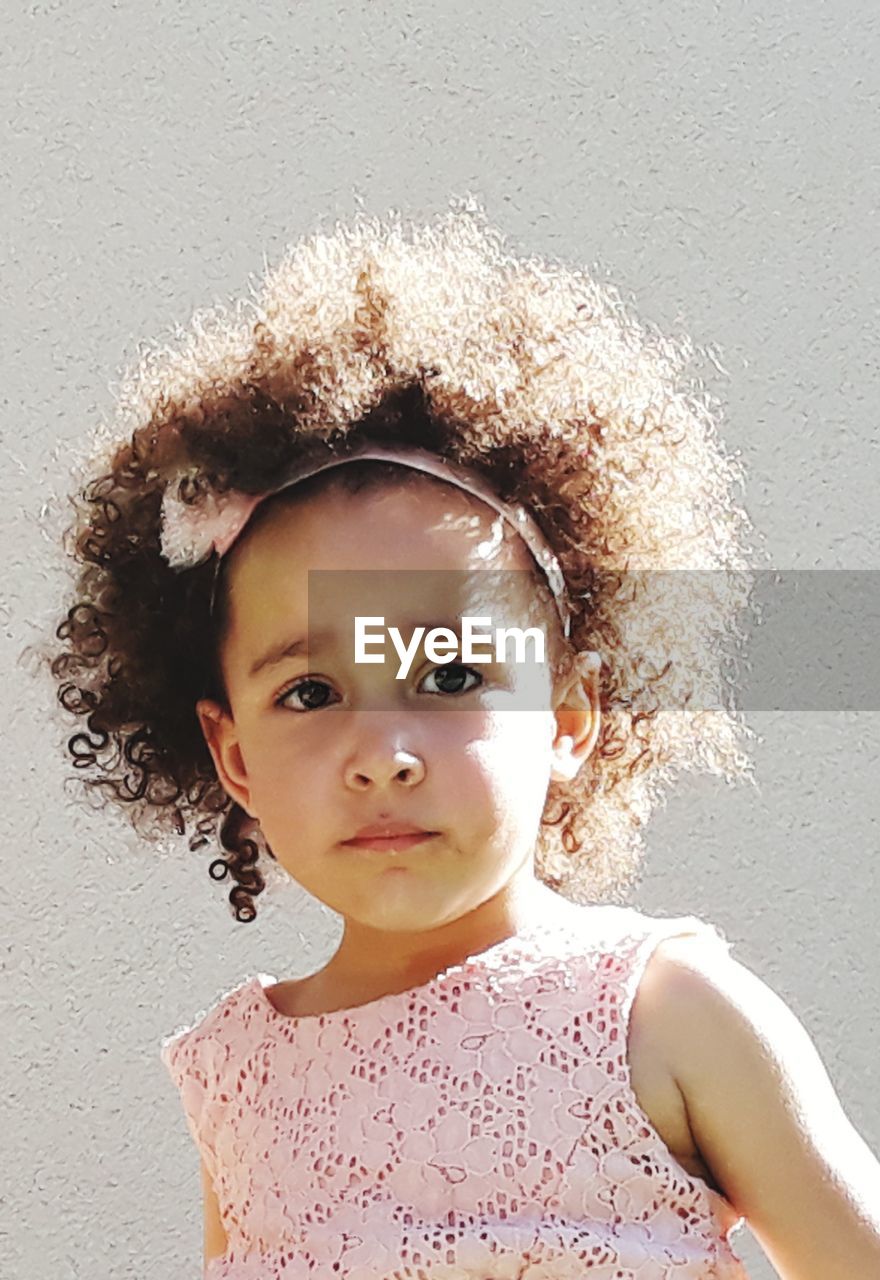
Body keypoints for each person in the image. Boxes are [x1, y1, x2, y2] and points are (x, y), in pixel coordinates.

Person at [46, 201, 880, 1278]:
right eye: (309, 691)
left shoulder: (665, 1012)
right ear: (234, 755)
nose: (382, 750)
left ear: (569, 720)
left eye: (448, 673)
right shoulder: (238, 1074)